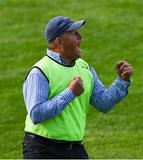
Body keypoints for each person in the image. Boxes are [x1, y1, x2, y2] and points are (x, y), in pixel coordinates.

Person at [22, 16, 133, 159]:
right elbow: (36, 114)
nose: (81, 37)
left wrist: (122, 81)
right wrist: (70, 93)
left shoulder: (84, 68)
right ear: (59, 42)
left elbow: (103, 103)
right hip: (43, 149)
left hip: (74, 150)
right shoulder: (40, 71)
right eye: (75, 33)